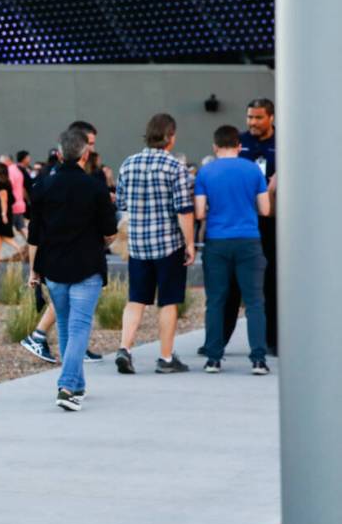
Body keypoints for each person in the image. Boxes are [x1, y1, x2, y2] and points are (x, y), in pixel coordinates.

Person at [28, 129, 118, 410]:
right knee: (78, 326)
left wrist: (33, 270)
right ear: (85, 153)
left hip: (53, 266)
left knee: (67, 325)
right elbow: (109, 232)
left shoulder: (43, 185)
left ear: (59, 151)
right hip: (87, 265)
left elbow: (34, 233)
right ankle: (67, 387)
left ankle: (76, 384)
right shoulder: (95, 186)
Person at [114, 113, 196, 375]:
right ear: (170, 137)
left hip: (138, 245)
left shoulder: (128, 164)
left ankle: (125, 349)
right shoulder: (175, 167)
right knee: (168, 301)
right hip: (168, 245)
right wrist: (190, 243)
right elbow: (184, 210)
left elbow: (122, 204)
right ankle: (165, 358)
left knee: (136, 300)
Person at [20, 121, 106, 364]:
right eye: (89, 143)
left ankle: (71, 367)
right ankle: (46, 343)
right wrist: (34, 269)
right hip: (68, 261)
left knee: (73, 322)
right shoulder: (55, 179)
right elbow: (36, 230)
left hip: (63, 261)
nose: (92, 148)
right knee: (75, 321)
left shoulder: (76, 179)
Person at [195, 125, 271, 375]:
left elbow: (198, 212)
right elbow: (265, 210)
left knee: (216, 300)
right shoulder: (252, 170)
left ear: (215, 146)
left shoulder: (205, 172)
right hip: (248, 240)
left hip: (217, 241)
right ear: (239, 146)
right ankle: (259, 359)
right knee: (255, 302)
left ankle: (213, 358)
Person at [212, 99, 279, 356]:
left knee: (271, 282)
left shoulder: (283, 143)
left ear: (271, 118)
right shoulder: (238, 143)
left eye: (258, 117)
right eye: (249, 117)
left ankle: (273, 340)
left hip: (271, 224)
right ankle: (218, 341)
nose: (252, 122)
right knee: (230, 284)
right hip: (240, 222)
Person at [0, 164, 22, 265]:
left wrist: (3, 215)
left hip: (0, 213)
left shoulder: (0, 184)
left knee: (0, 236)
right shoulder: (6, 182)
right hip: (1, 212)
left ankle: (20, 249)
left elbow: (4, 200)